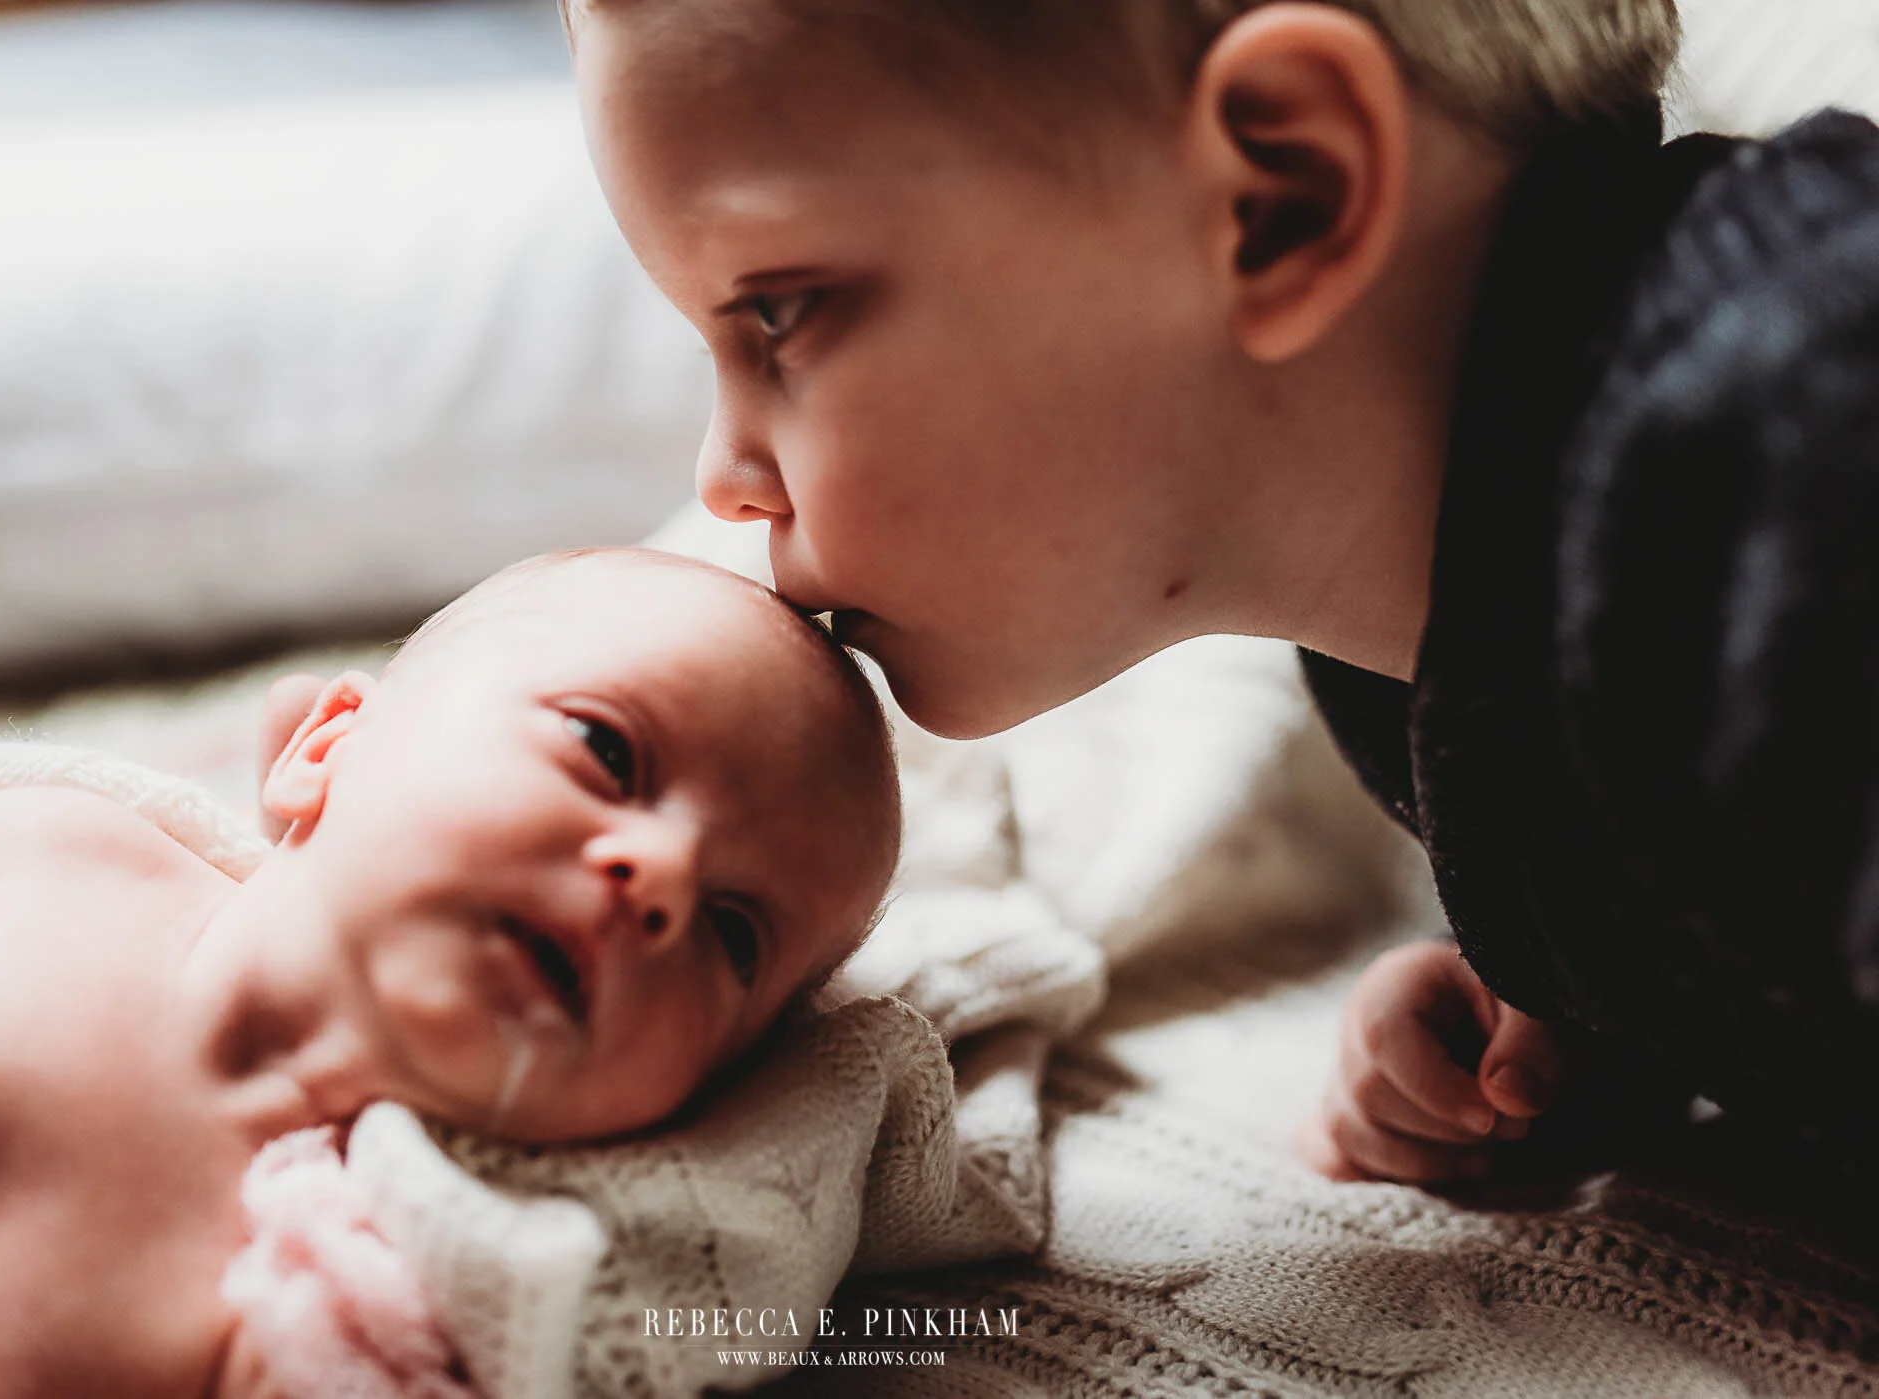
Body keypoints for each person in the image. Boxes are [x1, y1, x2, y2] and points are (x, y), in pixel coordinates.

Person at [488, 0, 1878, 1188]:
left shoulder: (1792, 428)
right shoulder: (1439, 625)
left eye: (778, 313)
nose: (724, 477)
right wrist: (1588, 1020)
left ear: (1281, 195)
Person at [0, 547, 900, 1399]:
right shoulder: (45, 859)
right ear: (325, 746)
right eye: (608, 752)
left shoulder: (345, 1294)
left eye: (733, 934)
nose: (661, 881)